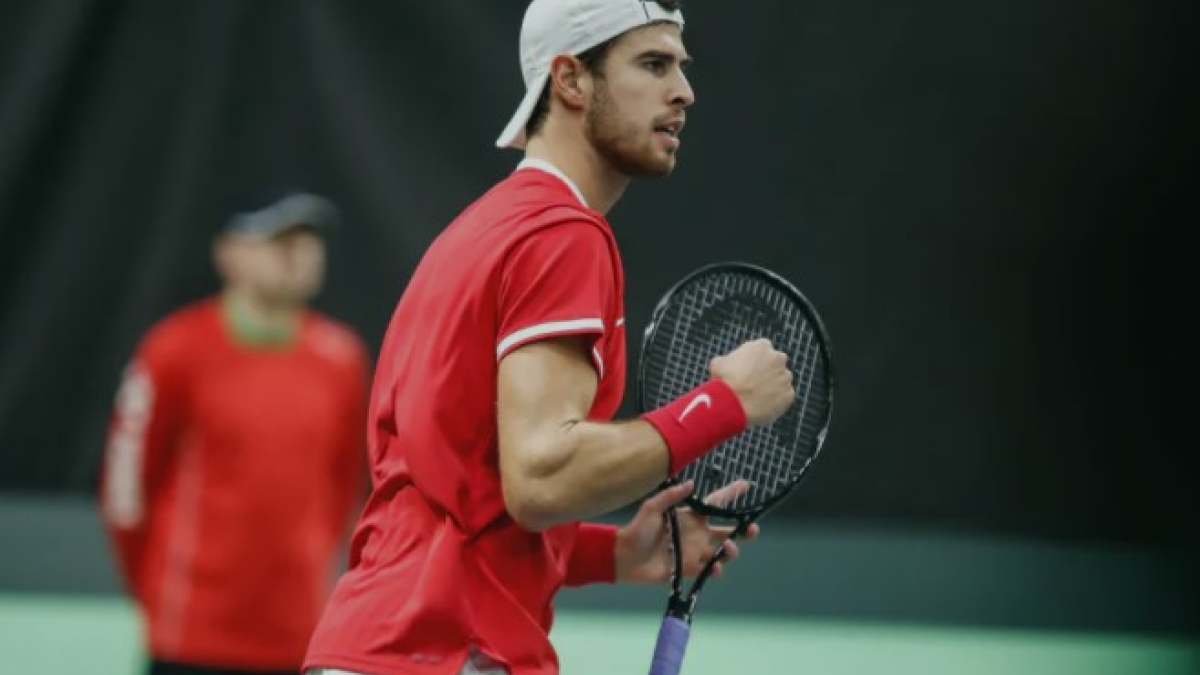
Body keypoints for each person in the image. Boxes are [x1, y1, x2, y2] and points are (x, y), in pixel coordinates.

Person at [303, 1, 795, 674]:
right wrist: (723, 404)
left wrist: (611, 553)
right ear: (569, 81)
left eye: (680, 66)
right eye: (653, 64)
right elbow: (539, 475)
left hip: (380, 644)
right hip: (445, 653)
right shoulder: (564, 235)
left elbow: (464, 490)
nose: (684, 90)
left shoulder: (483, 228)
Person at [99, 192, 371, 675]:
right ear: (228, 253)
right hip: (191, 639)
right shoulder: (174, 348)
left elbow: (347, 489)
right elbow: (126, 492)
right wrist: (162, 593)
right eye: (277, 240)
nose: (298, 254)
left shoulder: (342, 359)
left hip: (299, 639)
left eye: (307, 240)